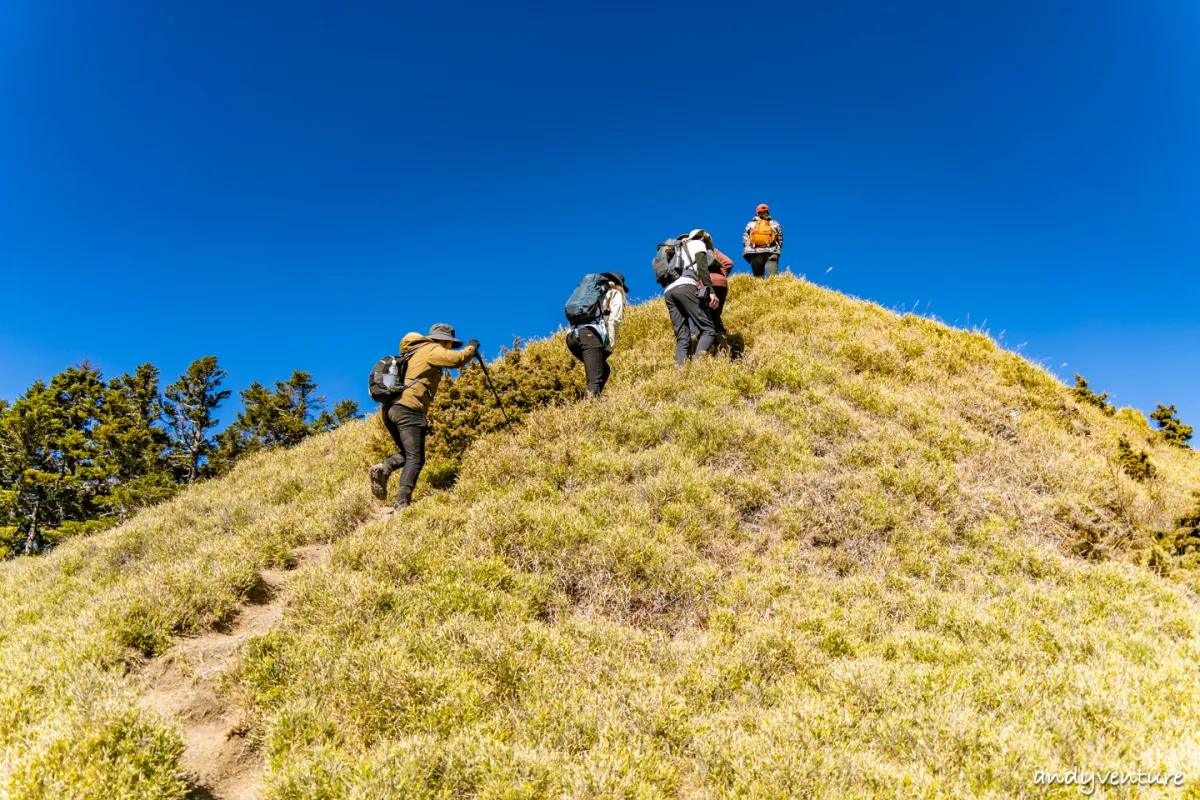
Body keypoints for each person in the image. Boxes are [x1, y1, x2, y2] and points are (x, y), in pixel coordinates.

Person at [368, 323, 478, 510]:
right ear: (445, 341)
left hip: (391, 409)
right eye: (450, 343)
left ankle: (384, 468)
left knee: (409, 453)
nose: (451, 347)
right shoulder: (431, 349)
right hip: (409, 409)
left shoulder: (413, 353)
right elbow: (457, 359)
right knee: (416, 459)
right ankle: (402, 503)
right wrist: (472, 347)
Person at [566, 272, 627, 398]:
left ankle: (594, 403)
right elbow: (614, 320)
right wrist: (610, 345)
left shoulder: (589, 293)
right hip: (590, 336)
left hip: (571, 337)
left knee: (604, 370)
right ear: (618, 284)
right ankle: (587, 412)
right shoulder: (613, 293)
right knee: (594, 380)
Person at [664, 232, 720, 367]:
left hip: (668, 291)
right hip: (686, 286)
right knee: (708, 330)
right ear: (702, 238)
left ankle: (679, 373)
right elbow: (702, 268)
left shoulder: (676, 250)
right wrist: (711, 291)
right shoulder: (698, 243)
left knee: (682, 337)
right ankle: (697, 366)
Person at [742, 203, 784, 278]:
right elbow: (780, 239)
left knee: (758, 277)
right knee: (773, 277)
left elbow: (745, 239)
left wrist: (750, 248)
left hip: (755, 253)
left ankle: (759, 289)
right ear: (768, 212)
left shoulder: (751, 224)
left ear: (757, 213)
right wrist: (777, 248)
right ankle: (774, 289)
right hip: (771, 252)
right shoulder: (774, 224)